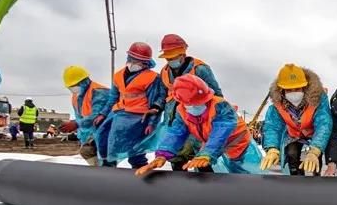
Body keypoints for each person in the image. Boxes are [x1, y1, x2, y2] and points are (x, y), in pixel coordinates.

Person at [136, 75, 262, 176]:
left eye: (200, 102)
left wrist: (207, 153)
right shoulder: (182, 111)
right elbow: (176, 133)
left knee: (249, 181)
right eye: (193, 104)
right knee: (217, 182)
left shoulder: (220, 106)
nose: (196, 106)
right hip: (212, 148)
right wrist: (163, 154)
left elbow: (220, 131)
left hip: (241, 149)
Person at [156, 33, 224, 171]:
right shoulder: (164, 72)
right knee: (176, 157)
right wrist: (156, 107)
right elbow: (162, 95)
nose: (171, 60)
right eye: (168, 57)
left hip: (198, 118)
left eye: (174, 56)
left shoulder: (200, 69)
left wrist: (216, 117)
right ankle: (181, 190)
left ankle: (207, 189)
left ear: (183, 53)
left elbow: (216, 95)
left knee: (199, 157)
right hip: (174, 119)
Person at [94, 42, 162, 169]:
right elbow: (113, 98)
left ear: (146, 63)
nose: (134, 63)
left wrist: (151, 123)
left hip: (138, 118)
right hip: (118, 114)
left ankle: (140, 171)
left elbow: (155, 103)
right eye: (132, 59)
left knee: (136, 149)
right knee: (103, 137)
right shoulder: (118, 75)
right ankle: (107, 169)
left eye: (138, 61)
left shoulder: (152, 78)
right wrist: (102, 114)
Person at [260, 64, 332, 175]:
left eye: (298, 88)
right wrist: (272, 148)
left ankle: (316, 179)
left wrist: (314, 151)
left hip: (313, 134)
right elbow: (272, 126)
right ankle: (296, 180)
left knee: (313, 161)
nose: (294, 92)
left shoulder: (319, 99)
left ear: (305, 86)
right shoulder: (277, 104)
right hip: (293, 135)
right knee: (291, 155)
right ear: (281, 90)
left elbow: (324, 124)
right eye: (289, 90)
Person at [61, 65, 110, 166]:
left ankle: (107, 174)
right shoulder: (76, 96)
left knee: (102, 155)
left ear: (84, 81)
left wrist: (76, 124)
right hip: (92, 132)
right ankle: (99, 173)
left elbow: (97, 116)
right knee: (87, 151)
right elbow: (81, 117)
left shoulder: (100, 92)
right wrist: (77, 128)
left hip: (106, 130)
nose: (72, 88)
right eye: (70, 86)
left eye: (75, 84)